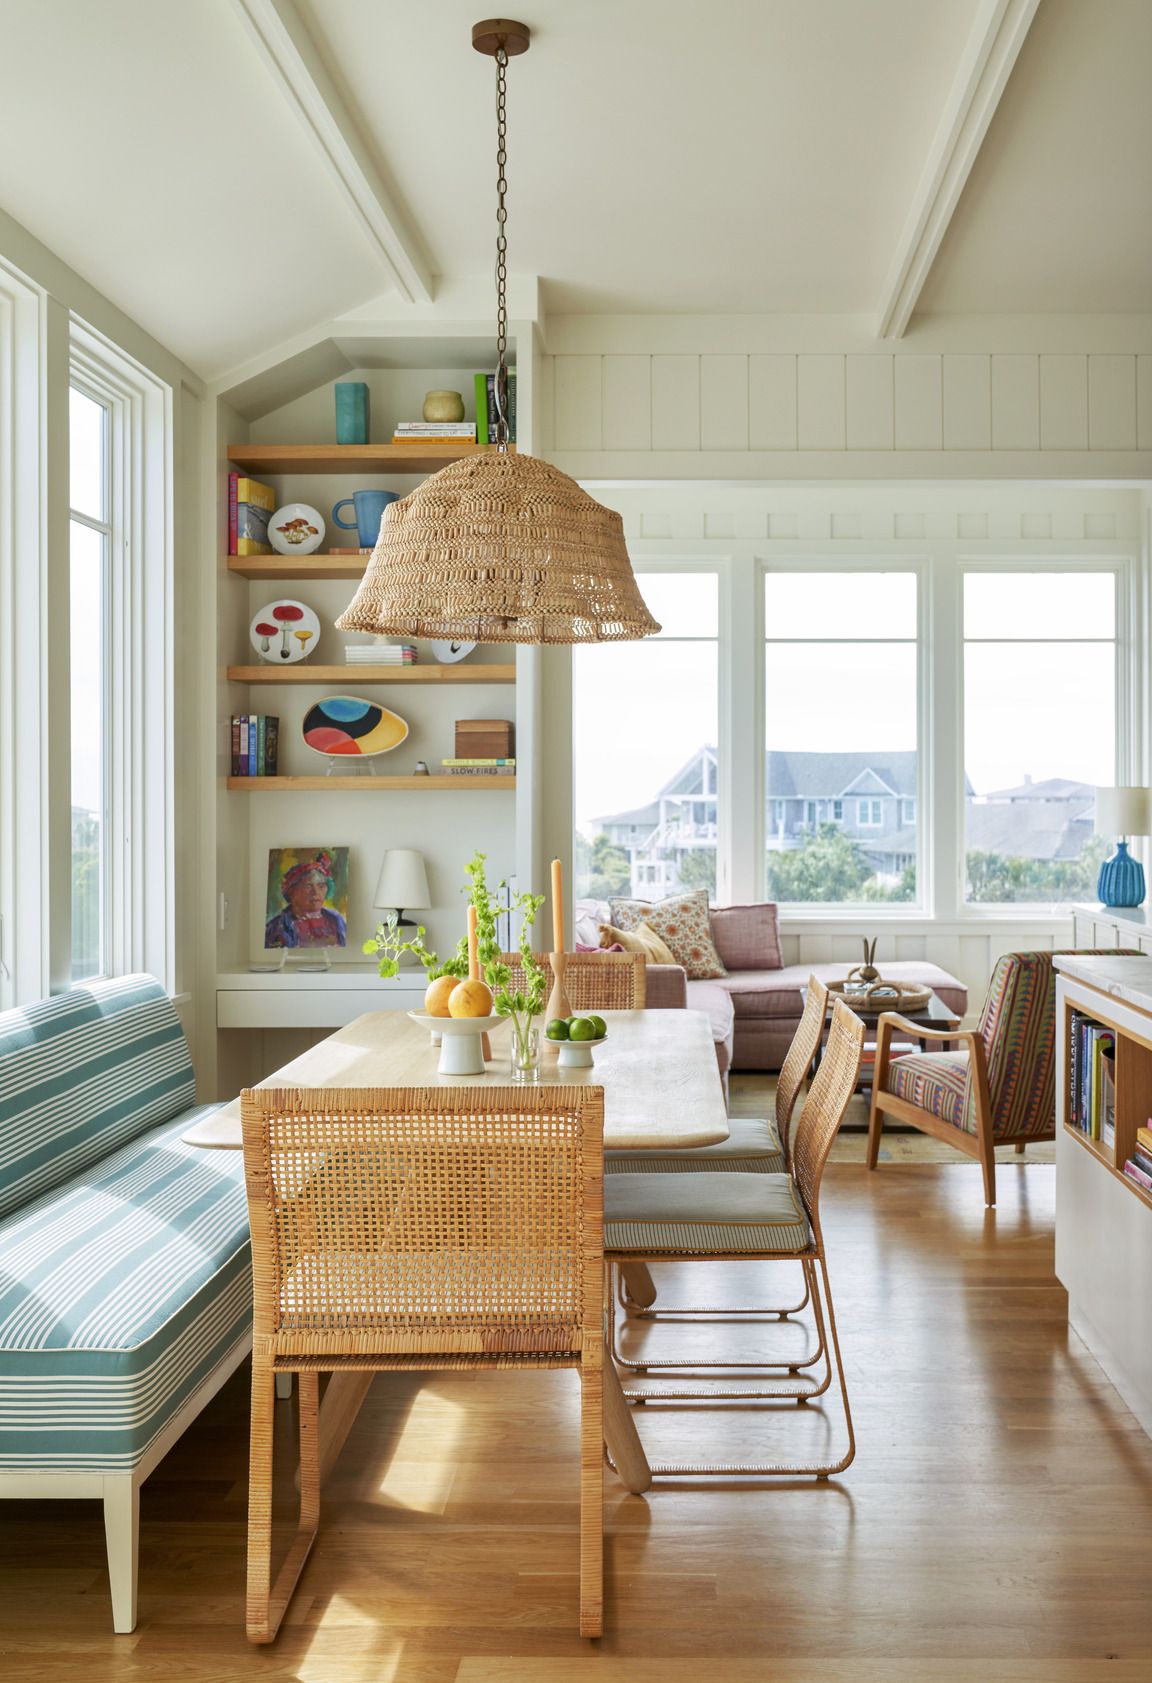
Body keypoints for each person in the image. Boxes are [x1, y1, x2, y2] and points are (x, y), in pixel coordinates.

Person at [265, 852, 347, 948]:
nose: (316, 892)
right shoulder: (276, 927)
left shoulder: (337, 921)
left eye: (321, 886)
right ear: (292, 891)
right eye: (308, 886)